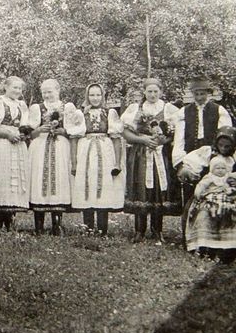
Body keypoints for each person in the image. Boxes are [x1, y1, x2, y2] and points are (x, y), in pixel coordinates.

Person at [121, 78, 179, 243]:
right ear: (144, 92)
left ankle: (157, 230)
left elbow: (174, 132)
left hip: (161, 153)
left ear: (161, 91)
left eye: (156, 91)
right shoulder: (135, 109)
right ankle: (139, 230)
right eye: (149, 91)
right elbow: (125, 133)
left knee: (158, 189)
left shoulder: (168, 109)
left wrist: (162, 141)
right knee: (141, 187)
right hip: (141, 153)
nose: (153, 94)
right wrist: (144, 140)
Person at [71, 83, 125, 236]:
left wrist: (117, 162)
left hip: (104, 150)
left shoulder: (110, 113)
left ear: (103, 96)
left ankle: (102, 228)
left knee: (103, 184)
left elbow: (116, 138)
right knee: (87, 183)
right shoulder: (81, 113)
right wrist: (74, 163)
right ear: (87, 96)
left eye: (98, 95)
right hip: (86, 150)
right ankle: (87, 227)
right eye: (92, 95)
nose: (95, 98)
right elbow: (74, 138)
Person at [28, 79, 78, 236]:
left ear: (58, 90)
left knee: (59, 179)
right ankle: (39, 226)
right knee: (39, 179)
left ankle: (57, 225)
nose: (47, 95)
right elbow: (30, 132)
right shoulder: (37, 108)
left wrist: (63, 131)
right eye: (44, 92)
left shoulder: (67, 107)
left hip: (60, 146)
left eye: (50, 91)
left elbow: (74, 130)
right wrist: (40, 129)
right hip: (40, 146)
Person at [179, 127, 236, 264]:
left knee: (230, 211)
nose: (223, 148)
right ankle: (204, 245)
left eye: (227, 146)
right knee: (204, 211)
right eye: (220, 145)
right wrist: (188, 172)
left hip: (230, 191)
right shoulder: (208, 152)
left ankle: (229, 247)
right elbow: (189, 164)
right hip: (208, 192)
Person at [0, 76, 30, 231]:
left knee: (14, 181)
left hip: (17, 145)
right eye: (14, 87)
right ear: (5, 86)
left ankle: (10, 222)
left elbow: (25, 126)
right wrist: (8, 135)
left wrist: (23, 134)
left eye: (19, 88)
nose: (17, 91)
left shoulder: (22, 105)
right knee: (0, 178)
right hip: (1, 144)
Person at [172, 77, 232, 199]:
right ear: (193, 94)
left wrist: (219, 159)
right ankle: (190, 217)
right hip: (190, 157)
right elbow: (179, 139)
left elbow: (225, 138)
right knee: (191, 194)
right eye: (196, 94)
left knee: (213, 192)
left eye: (203, 94)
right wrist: (181, 164)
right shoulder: (184, 112)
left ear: (208, 94)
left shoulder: (219, 110)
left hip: (214, 156)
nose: (199, 98)